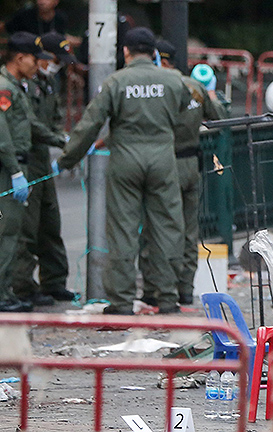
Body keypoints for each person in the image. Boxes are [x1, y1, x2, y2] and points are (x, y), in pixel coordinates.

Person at [57, 27, 191, 315]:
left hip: (125, 160)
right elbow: (182, 110)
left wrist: (68, 159)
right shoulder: (174, 80)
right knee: (167, 229)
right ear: (155, 53)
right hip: (163, 160)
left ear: (126, 52)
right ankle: (167, 299)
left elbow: (90, 123)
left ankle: (121, 302)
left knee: (123, 232)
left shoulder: (116, 82)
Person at [140, 39, 226, 307]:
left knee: (158, 228)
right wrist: (210, 93)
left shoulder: (158, 88)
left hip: (165, 164)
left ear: (158, 60)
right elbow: (220, 118)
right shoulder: (195, 88)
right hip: (192, 164)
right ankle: (185, 288)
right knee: (189, 230)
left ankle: (155, 289)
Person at [12, 33, 76, 304]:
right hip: (28, 157)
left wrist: (62, 138)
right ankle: (24, 286)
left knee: (50, 222)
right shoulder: (22, 86)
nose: (56, 66)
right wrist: (63, 140)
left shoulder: (49, 83)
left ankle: (54, 281)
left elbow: (55, 117)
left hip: (42, 159)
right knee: (27, 227)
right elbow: (29, 124)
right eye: (53, 61)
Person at [0, 34, 57, 311]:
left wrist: (63, 141)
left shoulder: (17, 87)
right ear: (20, 58)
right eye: (34, 59)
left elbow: (32, 126)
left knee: (12, 231)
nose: (38, 65)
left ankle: (6, 291)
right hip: (8, 166)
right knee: (8, 232)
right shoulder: (4, 89)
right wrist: (14, 171)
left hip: (18, 164)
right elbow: (1, 137)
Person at [7, 0, 75, 43]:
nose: (42, 1)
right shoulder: (24, 15)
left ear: (56, 1)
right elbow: (6, 28)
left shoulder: (60, 18)